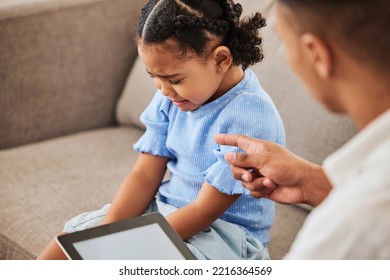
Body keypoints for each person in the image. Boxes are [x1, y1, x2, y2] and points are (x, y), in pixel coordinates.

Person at [37, 0, 285, 260]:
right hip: (163, 210)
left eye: (174, 79)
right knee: (62, 249)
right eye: (153, 76)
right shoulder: (173, 98)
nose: (163, 89)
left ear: (221, 59)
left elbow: (205, 210)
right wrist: (107, 236)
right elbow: (144, 174)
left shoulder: (250, 116)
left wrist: (131, 244)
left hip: (225, 234)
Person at [215, 0, 390, 259]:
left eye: (284, 42)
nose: (285, 56)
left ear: (316, 54)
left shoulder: (350, 227)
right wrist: (317, 183)